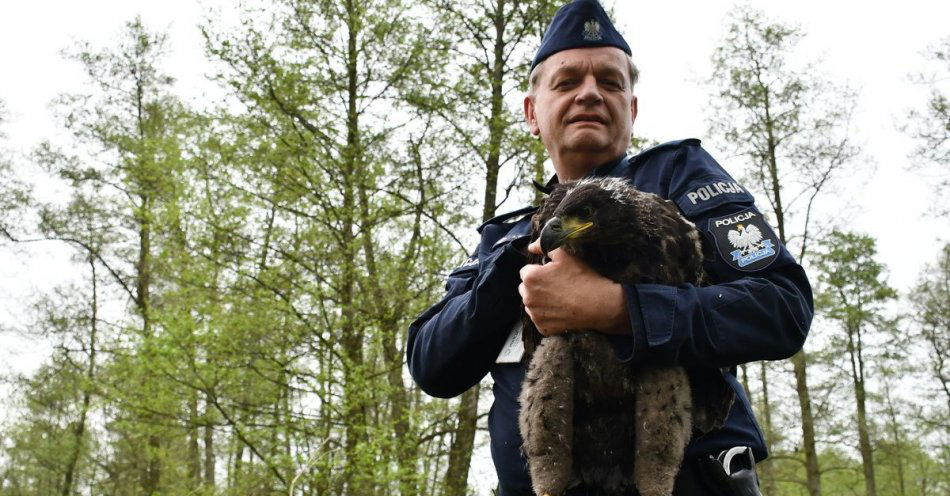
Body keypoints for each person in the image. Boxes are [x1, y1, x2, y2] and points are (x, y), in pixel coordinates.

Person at [406, 1, 813, 494]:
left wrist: (620, 310)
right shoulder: (505, 238)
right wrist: (515, 274)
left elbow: (781, 308)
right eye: (567, 81)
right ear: (533, 113)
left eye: (611, 82)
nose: (590, 93)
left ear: (632, 110)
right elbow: (431, 365)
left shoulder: (678, 179)